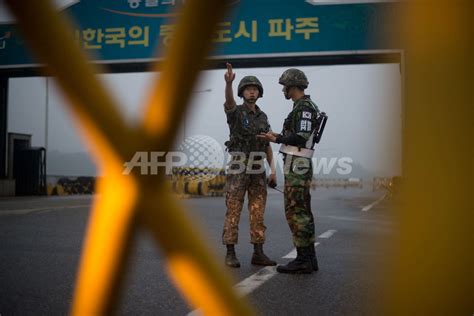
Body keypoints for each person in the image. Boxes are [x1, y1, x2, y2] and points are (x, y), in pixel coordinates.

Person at [258, 68, 321, 274]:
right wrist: (274, 135)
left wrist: (276, 139)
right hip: (296, 162)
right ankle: (309, 259)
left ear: (293, 86)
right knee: (302, 210)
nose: (283, 90)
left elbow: (301, 137)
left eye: (285, 86)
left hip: (298, 164)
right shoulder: (301, 107)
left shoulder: (304, 107)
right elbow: (295, 135)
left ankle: (303, 260)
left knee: (296, 211)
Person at [222, 62, 277, 268]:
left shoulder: (263, 117)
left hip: (258, 169)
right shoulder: (236, 113)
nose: (251, 92)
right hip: (238, 167)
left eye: (254, 89)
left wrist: (273, 171)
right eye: (248, 89)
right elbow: (228, 102)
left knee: (257, 211)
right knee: (234, 209)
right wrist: (228, 85)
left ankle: (258, 252)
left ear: (259, 93)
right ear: (242, 93)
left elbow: (267, 145)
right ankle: (230, 252)